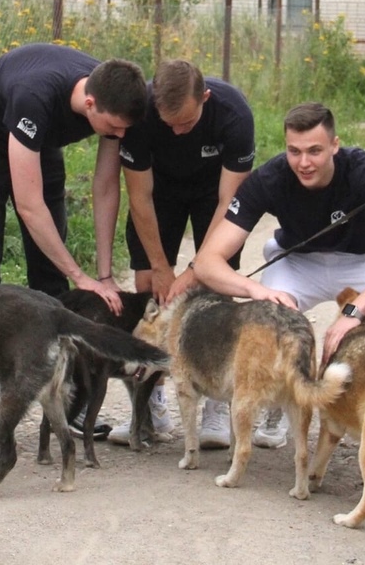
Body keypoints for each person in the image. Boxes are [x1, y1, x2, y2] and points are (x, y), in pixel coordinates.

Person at [191, 102, 365, 449]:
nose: (304, 163)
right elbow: (208, 261)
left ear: (335, 145)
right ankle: (277, 404)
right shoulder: (270, 177)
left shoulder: (364, 170)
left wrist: (354, 312)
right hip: (298, 261)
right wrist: (254, 290)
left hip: (361, 258)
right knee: (266, 325)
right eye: (294, 151)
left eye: (315, 151)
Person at [0, 42, 147, 452]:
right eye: (112, 129)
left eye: (123, 131)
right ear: (90, 102)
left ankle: (64, 402)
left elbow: (106, 187)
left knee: (50, 280)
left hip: (39, 140)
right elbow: (28, 204)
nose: (118, 136)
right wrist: (80, 274)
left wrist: (105, 275)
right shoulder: (34, 95)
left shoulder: (115, 97)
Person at [109, 59, 256, 448]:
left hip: (213, 195)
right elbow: (138, 197)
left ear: (204, 99)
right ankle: (150, 401)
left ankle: (216, 405)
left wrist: (196, 269)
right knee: (146, 289)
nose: (176, 131)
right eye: (168, 124)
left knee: (216, 289)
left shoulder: (234, 115)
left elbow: (230, 201)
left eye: (185, 125)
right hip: (161, 193)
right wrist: (160, 268)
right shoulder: (142, 114)